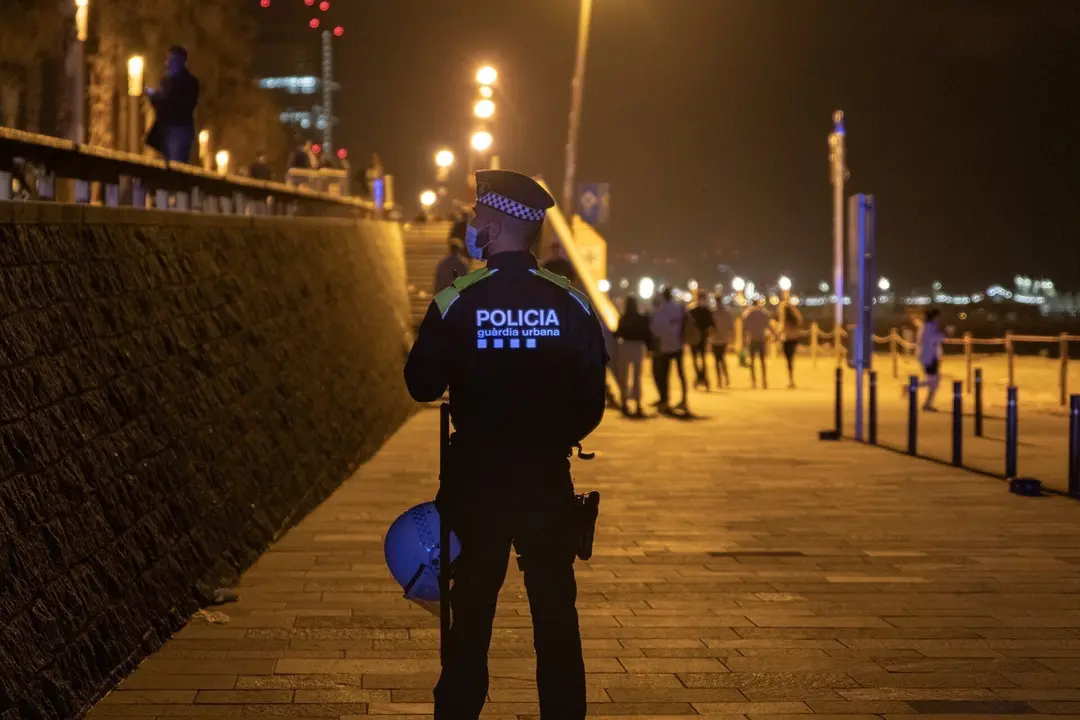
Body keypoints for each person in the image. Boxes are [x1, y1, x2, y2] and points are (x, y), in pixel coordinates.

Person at [404, 168, 606, 720]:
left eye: (477, 216)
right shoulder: (570, 302)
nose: (472, 224)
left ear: (495, 226)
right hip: (545, 480)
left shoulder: (456, 300)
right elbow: (593, 402)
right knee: (556, 619)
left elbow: (420, 384)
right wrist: (551, 435)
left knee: (469, 618)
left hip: (477, 484)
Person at [145, 46, 200, 164]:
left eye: (172, 60)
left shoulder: (188, 83)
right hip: (168, 129)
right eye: (168, 60)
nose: (168, 63)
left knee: (176, 163)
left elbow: (177, 104)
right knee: (169, 163)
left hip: (178, 129)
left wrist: (156, 96)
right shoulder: (167, 82)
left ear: (181, 62)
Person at [650, 287, 689, 413]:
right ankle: (684, 400)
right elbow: (686, 323)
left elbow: (655, 330)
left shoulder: (660, 310)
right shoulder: (679, 308)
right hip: (678, 344)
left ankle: (665, 400)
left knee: (665, 375)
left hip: (665, 347)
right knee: (681, 374)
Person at [614, 295, 650, 417]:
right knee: (637, 377)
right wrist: (650, 349)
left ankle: (624, 402)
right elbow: (647, 334)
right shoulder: (641, 318)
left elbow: (618, 333)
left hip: (625, 346)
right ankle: (638, 404)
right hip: (638, 347)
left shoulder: (623, 318)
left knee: (624, 377)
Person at [915, 307, 945, 410]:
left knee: (934, 381)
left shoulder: (926, 326)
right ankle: (911, 386)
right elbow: (931, 341)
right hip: (929, 357)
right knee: (933, 381)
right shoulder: (929, 327)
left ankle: (927, 403)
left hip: (930, 356)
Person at [742, 300, 773, 389]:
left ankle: (753, 381)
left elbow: (745, 327)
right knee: (762, 361)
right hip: (762, 338)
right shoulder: (764, 313)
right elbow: (768, 325)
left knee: (752, 361)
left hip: (752, 339)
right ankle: (764, 381)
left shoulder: (748, 313)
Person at [687, 291, 714, 390]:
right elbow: (712, 325)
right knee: (702, 358)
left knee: (696, 359)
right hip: (702, 338)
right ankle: (702, 376)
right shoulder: (707, 311)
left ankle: (699, 375)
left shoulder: (692, 310)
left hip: (695, 338)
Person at [778, 297, 803, 389]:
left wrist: (775, 336)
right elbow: (800, 321)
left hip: (787, 340)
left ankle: (791, 379)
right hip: (794, 339)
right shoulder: (795, 318)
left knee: (788, 360)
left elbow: (781, 329)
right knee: (791, 359)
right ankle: (791, 379)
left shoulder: (785, 319)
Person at [710, 301, 734, 388]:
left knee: (717, 361)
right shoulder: (727, 313)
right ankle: (726, 378)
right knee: (722, 359)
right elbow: (730, 326)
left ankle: (719, 380)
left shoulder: (712, 312)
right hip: (723, 339)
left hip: (714, 339)